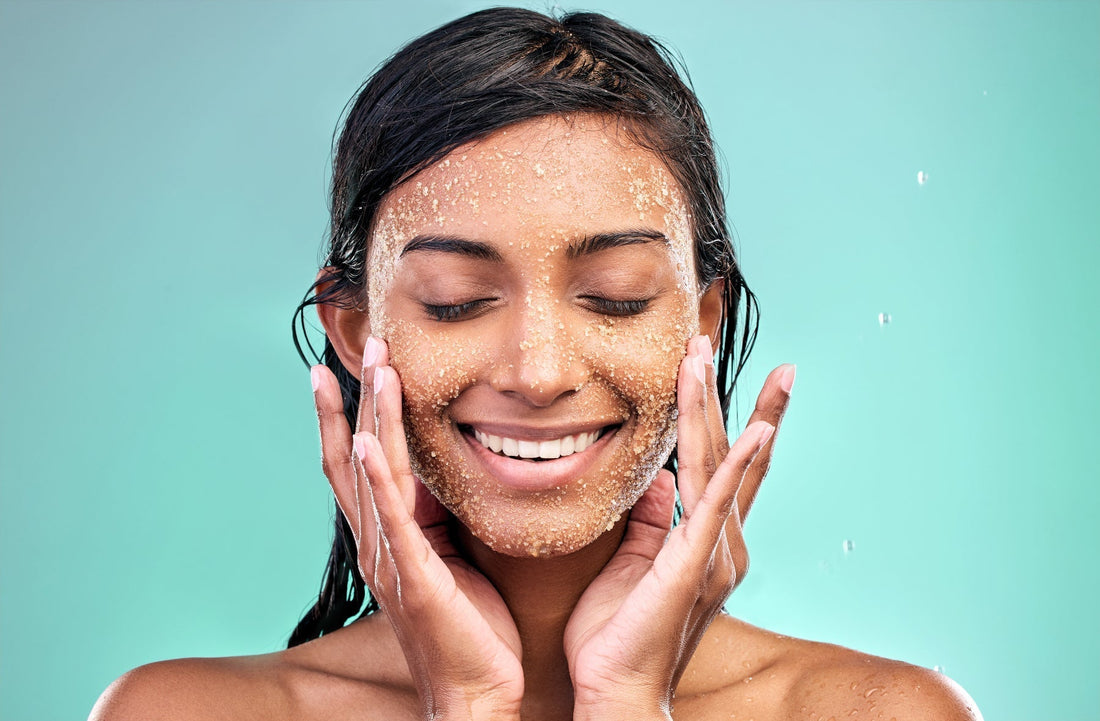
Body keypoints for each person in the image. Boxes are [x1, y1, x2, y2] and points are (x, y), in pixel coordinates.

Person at [90, 8, 982, 720]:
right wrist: (468, 706)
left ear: (701, 321)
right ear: (356, 326)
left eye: (619, 294)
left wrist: (631, 705)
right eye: (455, 298)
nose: (539, 369)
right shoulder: (182, 711)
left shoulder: (881, 713)